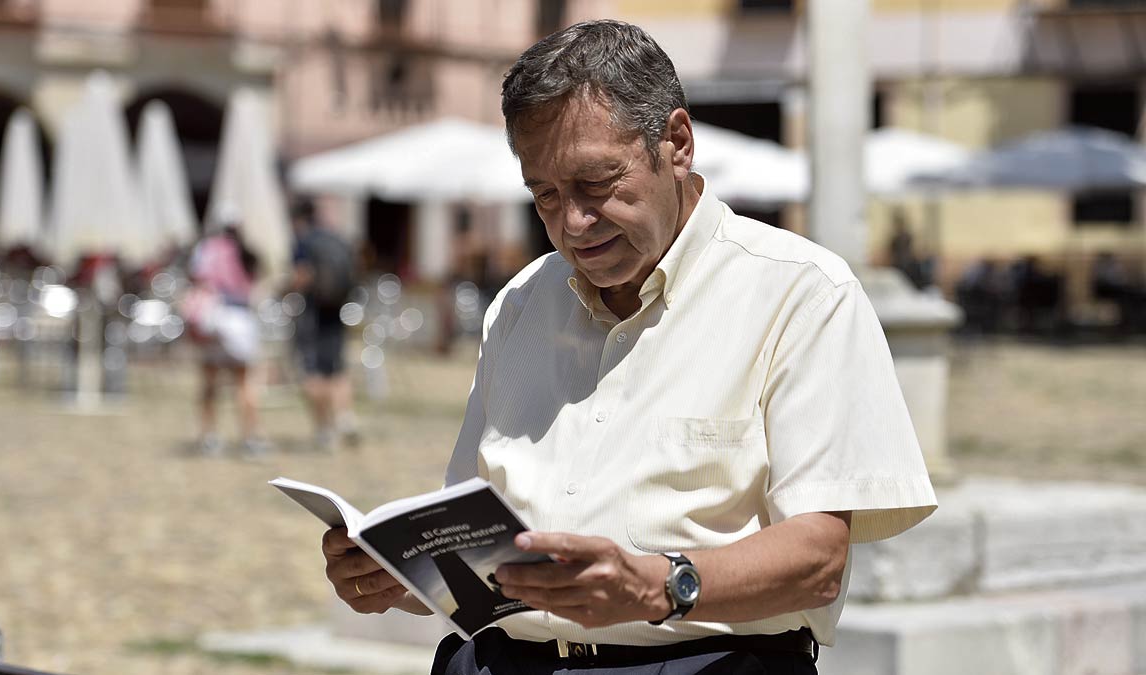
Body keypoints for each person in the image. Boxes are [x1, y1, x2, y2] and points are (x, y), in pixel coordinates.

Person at [322, 20, 937, 674]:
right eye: (546, 196)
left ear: (676, 143)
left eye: (596, 183)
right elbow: (482, 556)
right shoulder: (520, 304)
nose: (573, 223)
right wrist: (403, 574)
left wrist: (656, 585)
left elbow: (818, 559)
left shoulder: (802, 294)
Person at [185, 220, 267, 457]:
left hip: (214, 318)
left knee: (210, 382)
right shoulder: (247, 252)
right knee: (244, 384)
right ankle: (251, 437)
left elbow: (197, 278)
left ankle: (209, 436)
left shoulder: (207, 249)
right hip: (240, 321)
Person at [290, 201, 360, 449]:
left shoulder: (304, 242)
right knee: (337, 368)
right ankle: (344, 416)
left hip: (313, 313)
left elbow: (302, 276)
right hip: (337, 310)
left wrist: (287, 289)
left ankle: (324, 428)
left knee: (313, 372)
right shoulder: (338, 240)